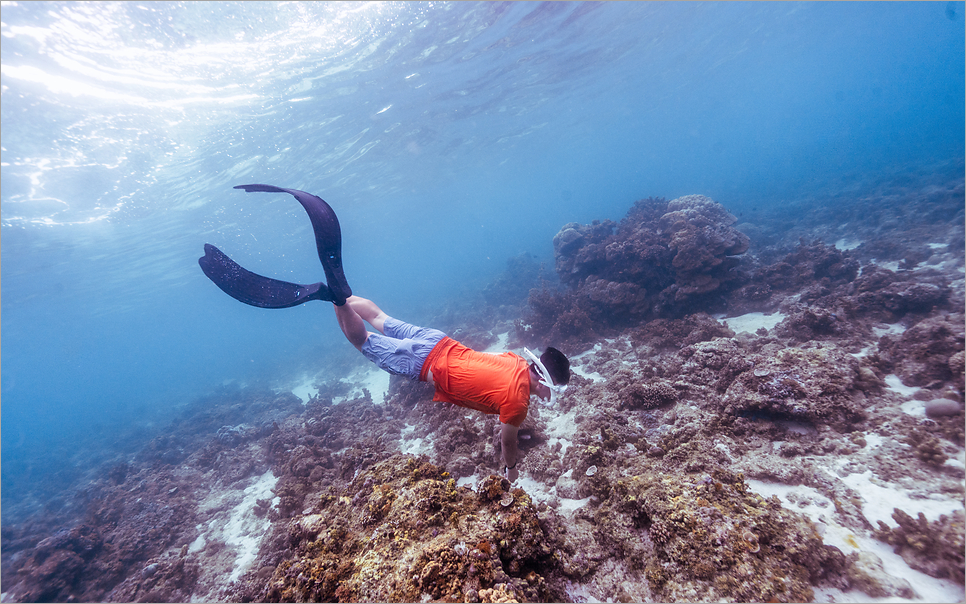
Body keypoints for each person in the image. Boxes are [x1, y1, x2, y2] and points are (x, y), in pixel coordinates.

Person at [199, 184, 571, 482]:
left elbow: (489, 380)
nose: (544, 397)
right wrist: (511, 469)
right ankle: (335, 296)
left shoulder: (513, 360)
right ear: (542, 379)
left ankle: (343, 295)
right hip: (422, 363)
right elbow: (507, 439)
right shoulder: (519, 402)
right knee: (360, 340)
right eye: (548, 391)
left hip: (438, 340)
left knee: (376, 315)